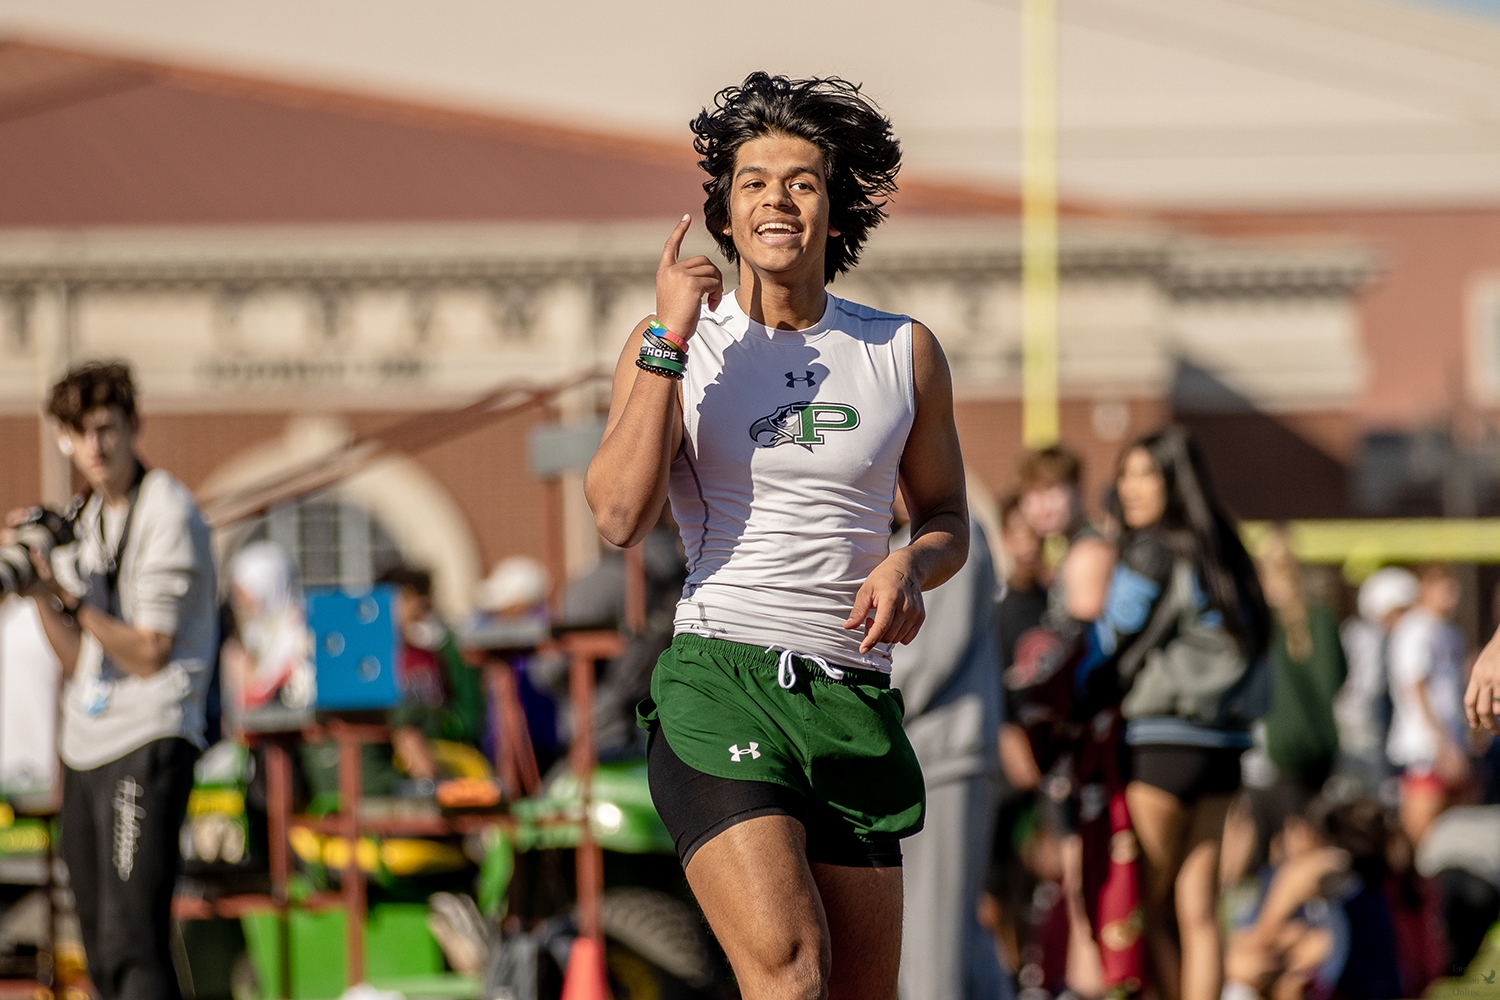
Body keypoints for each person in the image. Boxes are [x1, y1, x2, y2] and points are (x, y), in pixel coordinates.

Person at [584, 72, 969, 998]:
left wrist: (910, 563)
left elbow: (947, 519)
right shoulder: (678, 341)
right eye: (753, 181)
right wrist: (669, 335)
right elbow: (616, 515)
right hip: (722, 680)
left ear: (834, 211)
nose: (776, 199)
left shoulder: (899, 350)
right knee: (792, 974)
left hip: (850, 693)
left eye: (800, 181)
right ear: (724, 207)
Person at [14, 361, 217, 1000]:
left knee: (135, 940)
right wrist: (43, 591)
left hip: (150, 736)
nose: (96, 447)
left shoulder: (167, 510)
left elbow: (151, 651)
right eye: (81, 433)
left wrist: (73, 603)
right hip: (88, 744)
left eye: (107, 429)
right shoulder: (90, 516)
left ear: (134, 427)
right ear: (62, 438)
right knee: (99, 946)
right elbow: (78, 660)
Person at [1079, 425, 1272, 1000]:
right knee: (1200, 915)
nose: (1131, 488)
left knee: (1142, 909)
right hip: (1225, 748)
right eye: (1126, 473)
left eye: (1147, 474)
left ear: (1174, 482)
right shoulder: (1231, 551)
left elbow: (1109, 639)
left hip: (1160, 745)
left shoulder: (1152, 550)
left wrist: (1077, 692)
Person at [889, 499, 1008, 1000]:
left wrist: (861, 705)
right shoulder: (907, 543)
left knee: (932, 944)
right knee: (954, 939)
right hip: (926, 754)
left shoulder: (945, 541)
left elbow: (931, 654)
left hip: (943, 756)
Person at [1256, 527, 1346, 795]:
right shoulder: (1321, 616)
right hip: (1321, 745)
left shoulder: (1263, 622)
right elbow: (1337, 678)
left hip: (1276, 751)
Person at [1387, 564, 1470, 846]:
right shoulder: (1415, 628)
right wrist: (1440, 741)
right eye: (1445, 588)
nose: (1452, 596)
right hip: (1424, 746)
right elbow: (1415, 686)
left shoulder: (1450, 632)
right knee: (1418, 836)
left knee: (1448, 835)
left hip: (1450, 743)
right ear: (1426, 588)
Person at [1335, 568, 1417, 797]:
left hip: (1373, 733)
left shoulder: (1388, 639)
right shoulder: (1365, 638)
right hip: (1360, 734)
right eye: (1401, 610)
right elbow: (1365, 689)